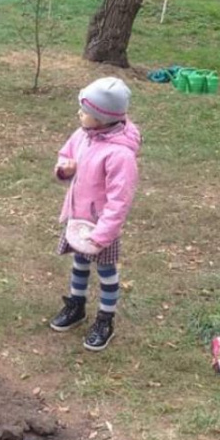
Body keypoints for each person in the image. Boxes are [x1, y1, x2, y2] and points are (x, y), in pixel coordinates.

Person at [49, 77, 141, 351]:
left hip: (101, 227)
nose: (79, 114)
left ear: (102, 118)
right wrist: (64, 168)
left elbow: (119, 201)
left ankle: (105, 319)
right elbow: (66, 154)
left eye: (85, 111)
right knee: (79, 263)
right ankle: (76, 305)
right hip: (79, 220)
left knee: (105, 271)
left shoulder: (120, 156)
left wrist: (103, 235)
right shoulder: (83, 135)